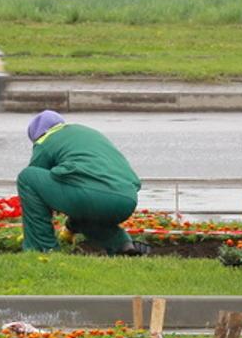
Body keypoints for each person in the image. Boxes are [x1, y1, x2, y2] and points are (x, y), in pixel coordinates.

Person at [17, 110, 148, 256]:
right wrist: (70, 228)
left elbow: (37, 186)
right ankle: (122, 245)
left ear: (37, 135)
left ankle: (42, 249)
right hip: (126, 200)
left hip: (90, 195)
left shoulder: (45, 141)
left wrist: (34, 229)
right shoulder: (87, 133)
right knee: (87, 213)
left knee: (27, 178)